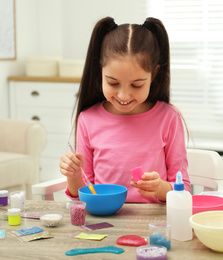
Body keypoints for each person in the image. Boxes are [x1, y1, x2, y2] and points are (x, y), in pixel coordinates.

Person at [59, 16, 191, 203]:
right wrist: (72, 175)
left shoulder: (168, 118)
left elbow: (183, 188)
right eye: (113, 83)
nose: (123, 95)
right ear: (100, 72)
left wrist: (160, 188)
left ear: (153, 74)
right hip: (105, 222)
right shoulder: (88, 119)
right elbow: (85, 193)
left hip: (152, 222)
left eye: (136, 85)